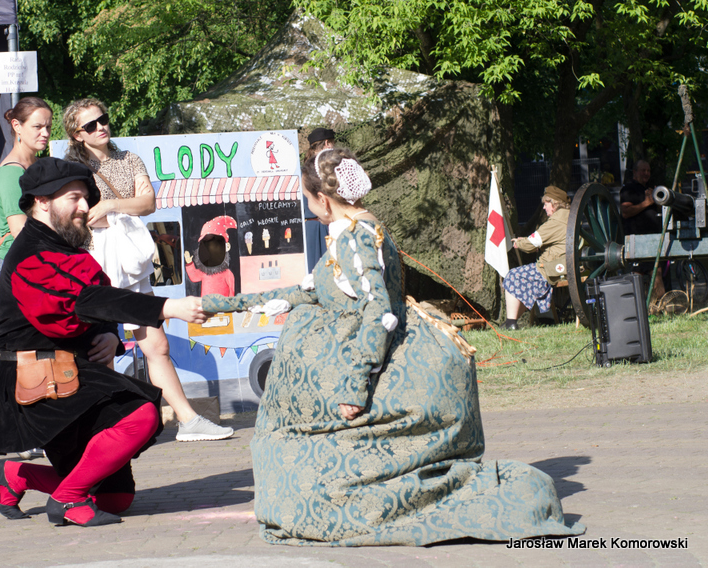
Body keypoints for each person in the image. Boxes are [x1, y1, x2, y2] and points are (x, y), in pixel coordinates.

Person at [202, 148, 584, 545]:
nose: (308, 206)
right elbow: (307, 291)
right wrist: (221, 305)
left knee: (310, 456)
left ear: (324, 199)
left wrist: (354, 385)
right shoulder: (358, 226)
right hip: (378, 342)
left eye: (308, 198)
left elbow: (377, 310)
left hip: (376, 354)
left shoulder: (355, 238)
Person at [0, 158, 208, 526]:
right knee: (141, 414)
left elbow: (97, 301)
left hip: (73, 374)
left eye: (86, 198)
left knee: (116, 499)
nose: (85, 207)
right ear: (42, 201)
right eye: (74, 198)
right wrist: (167, 307)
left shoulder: (64, 247)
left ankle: (17, 476)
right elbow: (84, 300)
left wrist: (109, 334)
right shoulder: (31, 255)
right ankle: (67, 500)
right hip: (40, 382)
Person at [62, 98, 232, 441]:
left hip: (132, 264)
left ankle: (188, 420)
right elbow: (81, 215)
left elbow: (148, 202)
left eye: (103, 119)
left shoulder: (129, 159)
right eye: (91, 125)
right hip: (95, 262)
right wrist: (118, 209)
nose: (101, 127)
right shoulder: (71, 168)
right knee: (101, 349)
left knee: (156, 345)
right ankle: (102, 428)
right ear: (77, 134)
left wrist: (111, 205)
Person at [0, 97, 52, 284]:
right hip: (20, 265)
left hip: (40, 259)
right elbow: (20, 229)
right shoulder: (11, 173)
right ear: (17, 126)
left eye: (48, 127)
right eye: (37, 127)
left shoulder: (39, 165)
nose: (45, 133)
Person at [500, 185, 570, 330]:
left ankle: (511, 323)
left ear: (554, 203)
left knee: (512, 275)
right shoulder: (570, 217)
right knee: (524, 279)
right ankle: (510, 321)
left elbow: (531, 244)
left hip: (552, 269)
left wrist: (519, 243)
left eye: (546, 203)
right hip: (564, 264)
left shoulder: (555, 222)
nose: (544, 207)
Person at [620, 159, 665, 301]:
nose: (646, 173)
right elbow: (625, 212)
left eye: (648, 171)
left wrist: (657, 200)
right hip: (638, 240)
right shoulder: (628, 189)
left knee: (654, 271)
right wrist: (647, 202)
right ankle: (641, 305)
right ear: (635, 172)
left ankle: (656, 305)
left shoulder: (650, 189)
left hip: (653, 239)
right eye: (643, 170)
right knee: (645, 273)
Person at [302, 127, 335, 270]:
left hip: (309, 228)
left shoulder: (303, 168)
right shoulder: (325, 168)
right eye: (333, 143)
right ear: (327, 143)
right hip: (322, 226)